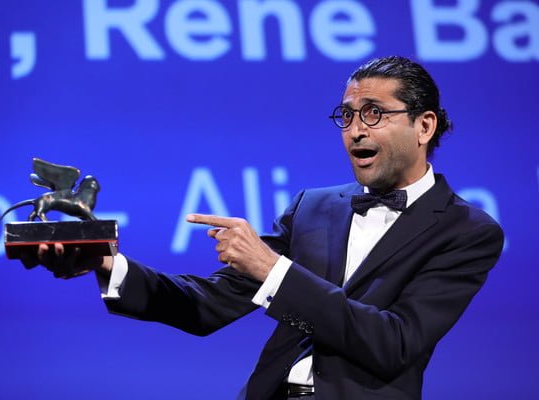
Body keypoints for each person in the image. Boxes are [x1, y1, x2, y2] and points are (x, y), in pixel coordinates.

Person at [28, 56, 504, 399]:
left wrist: (273, 270)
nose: (356, 129)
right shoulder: (314, 207)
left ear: (424, 126)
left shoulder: (467, 231)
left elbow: (393, 342)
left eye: (374, 113)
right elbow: (205, 307)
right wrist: (108, 265)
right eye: (347, 115)